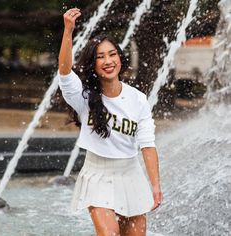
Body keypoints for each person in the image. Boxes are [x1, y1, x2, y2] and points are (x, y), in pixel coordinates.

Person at [58, 8, 163, 236]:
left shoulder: (138, 99)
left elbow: (147, 144)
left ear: (120, 58)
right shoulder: (84, 96)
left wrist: (155, 185)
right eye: (100, 56)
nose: (108, 61)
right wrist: (68, 32)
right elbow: (65, 73)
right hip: (98, 175)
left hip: (131, 174)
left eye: (112, 54)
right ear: (93, 64)